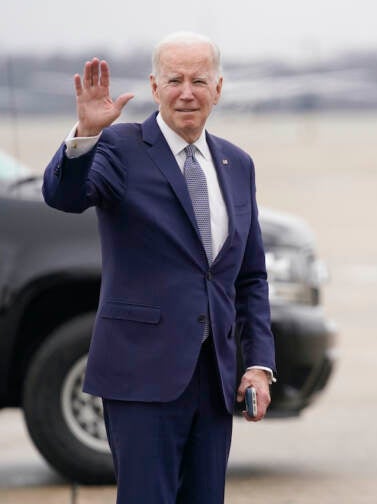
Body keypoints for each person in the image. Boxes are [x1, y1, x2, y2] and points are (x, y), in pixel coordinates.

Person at [42, 32, 275, 504]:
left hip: (214, 380)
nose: (186, 92)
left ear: (219, 87)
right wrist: (85, 134)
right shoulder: (120, 147)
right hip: (141, 377)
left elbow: (249, 276)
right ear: (154, 86)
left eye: (198, 80)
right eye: (174, 80)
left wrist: (258, 364)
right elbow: (63, 196)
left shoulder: (237, 163)